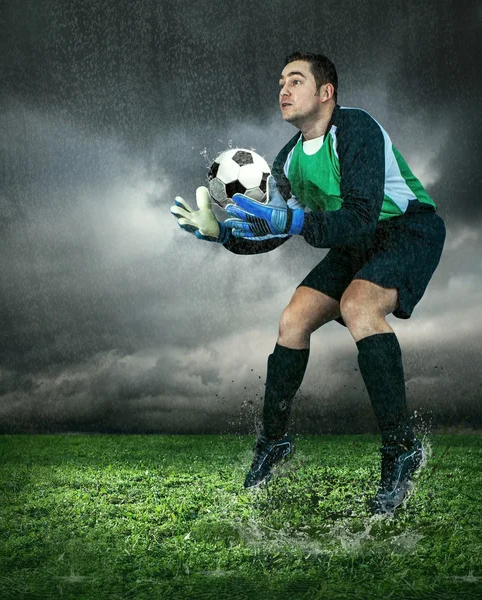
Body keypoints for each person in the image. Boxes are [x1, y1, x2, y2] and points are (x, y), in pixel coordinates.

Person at [170, 52, 446, 515]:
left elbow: (358, 220)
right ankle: (274, 443)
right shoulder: (287, 160)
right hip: (355, 240)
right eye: (280, 81)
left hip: (407, 229)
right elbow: (275, 229)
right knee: (292, 320)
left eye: (295, 81)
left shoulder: (355, 129)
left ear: (326, 93)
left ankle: (402, 450)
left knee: (359, 306)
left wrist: (293, 218)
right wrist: (225, 236)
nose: (283, 89)